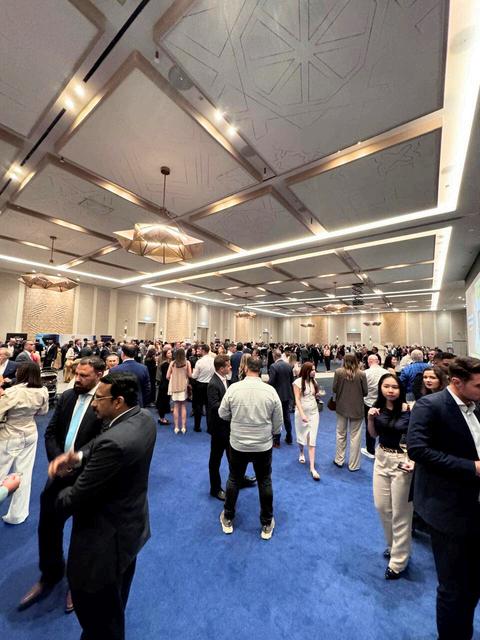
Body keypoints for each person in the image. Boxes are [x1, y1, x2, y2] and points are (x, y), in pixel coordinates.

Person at [47, 372, 156, 640]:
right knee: (115, 604)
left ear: (118, 401)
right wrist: (78, 456)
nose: (93, 403)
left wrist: (52, 494)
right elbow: (103, 441)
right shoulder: (143, 418)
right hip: (131, 530)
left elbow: (73, 499)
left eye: (99, 398)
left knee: (100, 620)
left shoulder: (113, 443)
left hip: (103, 546)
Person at [19, 357, 105, 613]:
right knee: (47, 526)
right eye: (77, 373)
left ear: (99, 375)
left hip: (87, 477)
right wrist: (58, 461)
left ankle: (77, 584)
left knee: (84, 533)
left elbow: (103, 441)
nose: (78, 379)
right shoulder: (67, 397)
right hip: (58, 475)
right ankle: (51, 574)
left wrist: (75, 462)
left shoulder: (105, 401)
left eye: (84, 375)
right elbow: (50, 432)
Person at [408, 356, 480, 640]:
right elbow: (418, 450)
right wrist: (471, 467)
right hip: (448, 510)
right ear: (457, 382)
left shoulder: (475, 404)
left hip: (474, 506)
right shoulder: (430, 406)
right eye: (478, 385)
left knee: (473, 583)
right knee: (453, 589)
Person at [218, 357, 283, 540]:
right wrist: (273, 433)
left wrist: (236, 418)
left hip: (238, 444)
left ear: (245, 368)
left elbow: (222, 413)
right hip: (263, 445)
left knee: (234, 479)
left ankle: (228, 517)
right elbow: (278, 420)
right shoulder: (270, 391)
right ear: (260, 369)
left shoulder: (233, 388)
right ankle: (266, 522)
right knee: (265, 481)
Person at [367, 373, 413, 579]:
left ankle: (399, 561)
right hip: (382, 458)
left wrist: (413, 460)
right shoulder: (377, 409)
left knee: (400, 512)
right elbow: (373, 435)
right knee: (382, 507)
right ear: (381, 388)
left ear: (400, 389)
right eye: (386, 386)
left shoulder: (409, 410)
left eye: (394, 387)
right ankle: (394, 546)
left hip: (402, 460)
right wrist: (370, 418)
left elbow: (416, 437)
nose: (390, 390)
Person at [0, 362, 49, 523]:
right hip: (30, 433)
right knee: (23, 474)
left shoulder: (13, 392)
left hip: (9, 434)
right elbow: (43, 412)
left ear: (21, 373)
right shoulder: (42, 390)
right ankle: (17, 515)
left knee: (1, 472)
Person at [206, 355, 256, 500]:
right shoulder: (213, 384)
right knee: (215, 460)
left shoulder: (225, 380)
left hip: (228, 426)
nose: (230, 367)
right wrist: (232, 405)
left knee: (233, 457)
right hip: (218, 428)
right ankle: (215, 489)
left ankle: (239, 480)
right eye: (228, 366)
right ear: (221, 368)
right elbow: (214, 406)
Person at [332, 354, 368, 471]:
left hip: (341, 407)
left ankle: (339, 460)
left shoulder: (338, 372)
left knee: (340, 434)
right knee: (355, 437)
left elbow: (334, 389)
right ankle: (354, 465)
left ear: (344, 361)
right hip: (357, 408)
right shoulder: (362, 374)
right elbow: (365, 392)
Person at [293, 362, 321, 480]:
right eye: (312, 370)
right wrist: (302, 414)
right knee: (301, 436)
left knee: (312, 438)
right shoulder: (297, 382)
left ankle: (312, 468)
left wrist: (318, 395)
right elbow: (297, 400)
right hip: (301, 413)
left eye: (315, 369)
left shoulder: (314, 382)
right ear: (306, 371)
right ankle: (301, 452)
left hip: (314, 413)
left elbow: (314, 396)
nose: (314, 372)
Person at [362, 354, 388, 460]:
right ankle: (384, 447)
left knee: (370, 425)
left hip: (368, 403)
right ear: (378, 361)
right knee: (384, 425)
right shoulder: (386, 372)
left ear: (369, 362)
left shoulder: (365, 373)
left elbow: (363, 389)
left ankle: (370, 450)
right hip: (383, 403)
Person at [268, 349, 294, 447]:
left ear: (274, 356)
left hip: (277, 395)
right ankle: (289, 436)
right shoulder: (288, 366)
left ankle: (277, 440)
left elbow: (271, 382)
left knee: (276, 417)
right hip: (287, 394)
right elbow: (292, 381)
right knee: (286, 416)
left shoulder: (273, 366)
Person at [166, 348, 192, 434]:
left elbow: (167, 376)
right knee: (183, 406)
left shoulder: (172, 363)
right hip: (183, 386)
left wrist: (173, 378)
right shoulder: (187, 363)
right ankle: (183, 427)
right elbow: (190, 375)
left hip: (174, 386)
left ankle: (176, 427)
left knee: (176, 406)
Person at [191, 344, 215, 432]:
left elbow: (194, 376)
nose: (198, 351)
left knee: (198, 406)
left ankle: (197, 427)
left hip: (200, 385)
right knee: (209, 407)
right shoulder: (213, 360)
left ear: (204, 350)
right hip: (210, 385)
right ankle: (210, 427)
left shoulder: (199, 362)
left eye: (200, 349)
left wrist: (191, 373)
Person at [156, 347, 172, 425]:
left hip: (165, 384)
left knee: (164, 401)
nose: (170, 354)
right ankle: (162, 418)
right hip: (165, 385)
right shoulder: (165, 364)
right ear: (165, 355)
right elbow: (167, 376)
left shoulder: (168, 363)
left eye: (171, 352)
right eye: (168, 353)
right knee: (163, 401)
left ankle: (161, 417)